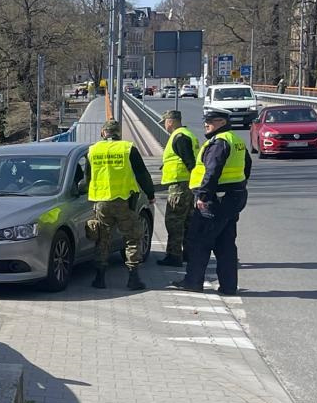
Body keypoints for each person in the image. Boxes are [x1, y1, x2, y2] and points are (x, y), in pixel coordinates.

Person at [166, 108, 251, 295]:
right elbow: (247, 165)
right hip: (232, 197)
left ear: (222, 122)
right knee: (225, 244)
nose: (206, 124)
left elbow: (212, 171)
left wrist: (203, 196)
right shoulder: (235, 140)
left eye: (211, 121)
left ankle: (193, 282)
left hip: (216, 199)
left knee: (198, 241)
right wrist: (239, 186)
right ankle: (229, 286)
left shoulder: (219, 142)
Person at [85, 119, 157, 291]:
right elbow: (142, 174)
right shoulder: (128, 148)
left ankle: (100, 278)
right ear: (119, 133)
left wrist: (91, 195)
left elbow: (88, 177)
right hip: (125, 202)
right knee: (132, 238)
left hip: (102, 202)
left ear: (103, 133)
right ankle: (133, 278)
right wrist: (150, 194)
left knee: (102, 238)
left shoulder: (93, 150)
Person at [155, 109, 198, 268]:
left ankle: (174, 256)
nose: (165, 126)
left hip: (180, 185)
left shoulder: (179, 137)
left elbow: (189, 162)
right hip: (188, 184)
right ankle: (188, 254)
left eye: (165, 123)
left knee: (174, 221)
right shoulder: (188, 134)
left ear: (170, 121)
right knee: (187, 221)